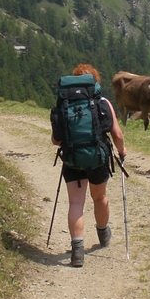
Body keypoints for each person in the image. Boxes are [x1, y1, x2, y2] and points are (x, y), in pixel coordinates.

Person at [51, 64, 127, 268]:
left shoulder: (63, 104)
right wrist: (122, 151)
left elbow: (56, 140)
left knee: (76, 204)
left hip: (72, 158)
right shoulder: (103, 102)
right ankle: (103, 232)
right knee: (99, 197)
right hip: (97, 157)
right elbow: (117, 134)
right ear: (95, 82)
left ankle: (77, 251)